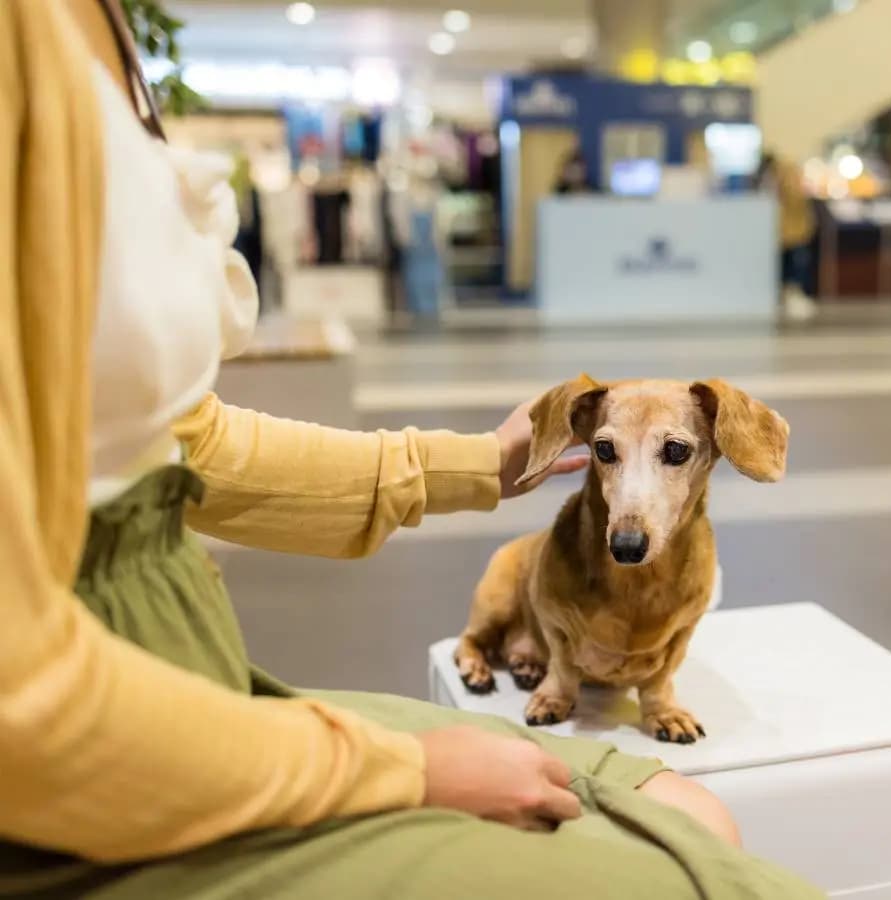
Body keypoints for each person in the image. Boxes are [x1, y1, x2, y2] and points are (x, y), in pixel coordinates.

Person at [0, 2, 822, 898]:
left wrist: (475, 464)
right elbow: (23, 706)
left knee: (694, 810)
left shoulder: (80, 20)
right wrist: (406, 773)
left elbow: (183, 440)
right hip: (86, 760)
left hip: (178, 675)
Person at [756, 152, 818, 322]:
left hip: (792, 232)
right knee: (789, 267)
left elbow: (796, 199)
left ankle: (794, 298)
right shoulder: (777, 176)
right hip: (787, 232)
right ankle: (788, 297)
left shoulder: (786, 174)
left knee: (795, 267)